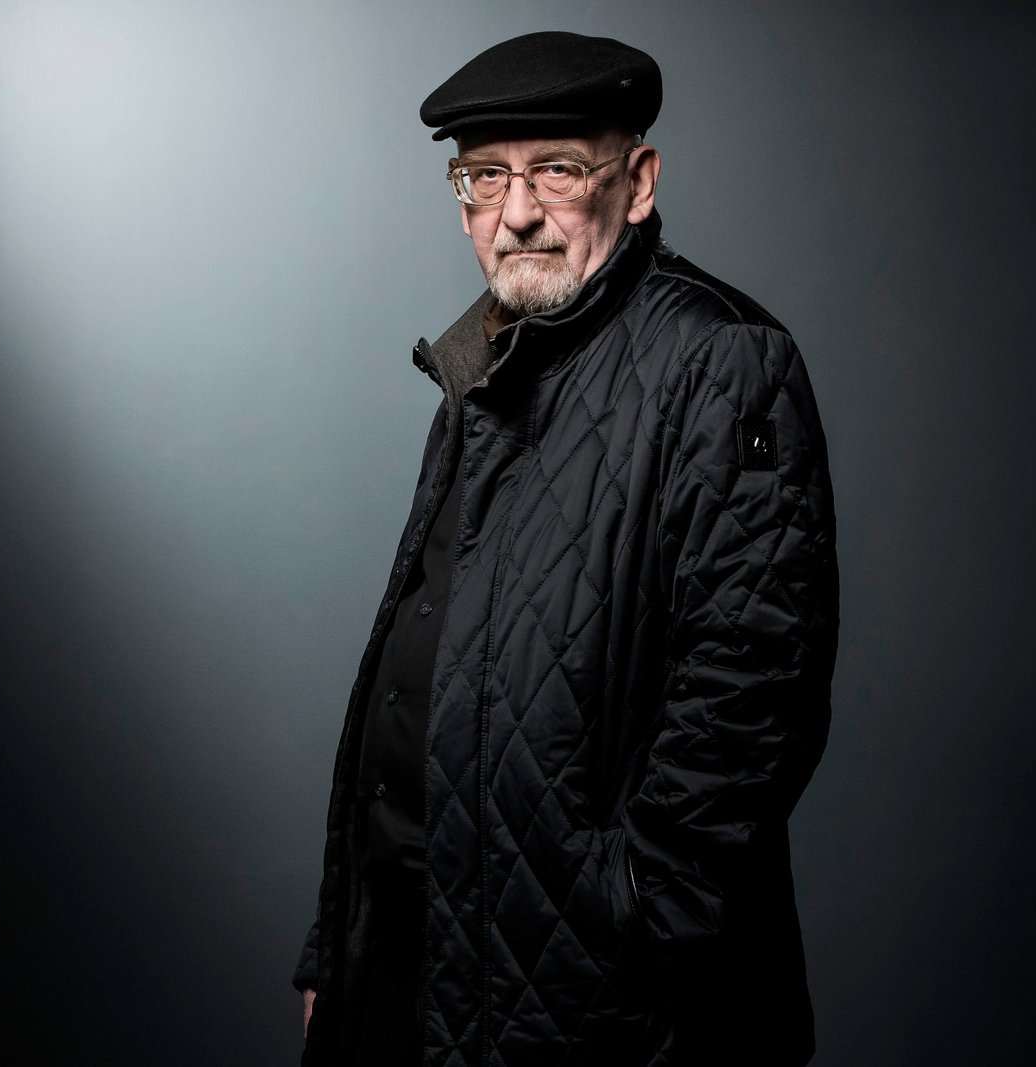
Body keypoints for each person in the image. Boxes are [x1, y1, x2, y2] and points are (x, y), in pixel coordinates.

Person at [294, 30, 838, 1067]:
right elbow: (411, 672)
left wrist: (623, 929)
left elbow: (752, 695)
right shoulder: (483, 365)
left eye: (555, 169)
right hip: (412, 957)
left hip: (587, 1000)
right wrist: (341, 947)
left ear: (637, 183)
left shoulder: (722, 361)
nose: (517, 211)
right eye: (485, 176)